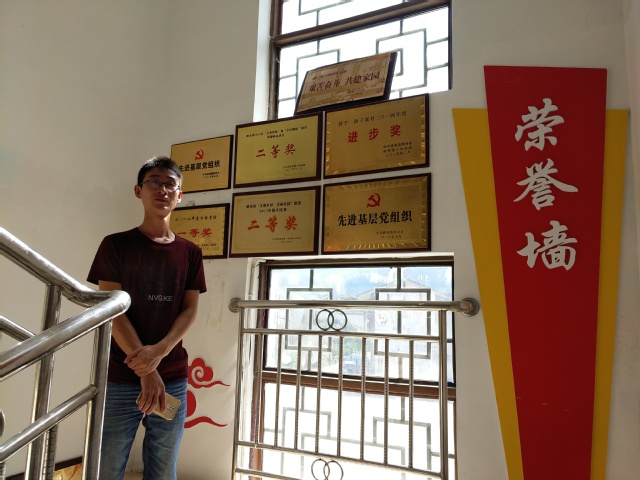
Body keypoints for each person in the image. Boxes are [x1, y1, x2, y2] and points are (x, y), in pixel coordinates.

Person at [87, 156, 207, 480]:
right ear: (138, 190)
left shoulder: (191, 253)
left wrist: (160, 352)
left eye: (170, 184)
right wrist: (147, 369)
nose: (162, 189)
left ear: (180, 195)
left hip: (173, 376)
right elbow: (111, 310)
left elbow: (190, 310)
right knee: (106, 468)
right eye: (154, 181)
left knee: (163, 470)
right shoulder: (115, 245)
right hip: (121, 375)